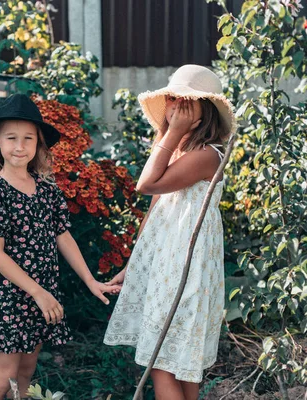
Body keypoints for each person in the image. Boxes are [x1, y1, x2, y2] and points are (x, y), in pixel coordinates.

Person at [0, 94, 117, 400]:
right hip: (11, 296)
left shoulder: (47, 190)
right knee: (3, 377)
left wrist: (90, 281)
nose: (19, 146)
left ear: (38, 144)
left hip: (41, 296)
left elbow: (63, 235)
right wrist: (37, 291)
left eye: (28, 138)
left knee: (25, 372)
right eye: (11, 138)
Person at [103, 64, 235, 400]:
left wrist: (172, 133)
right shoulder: (180, 152)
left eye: (185, 101)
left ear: (203, 111)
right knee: (178, 359)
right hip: (166, 261)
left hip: (185, 263)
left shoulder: (208, 155)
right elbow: (155, 210)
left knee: (163, 360)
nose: (175, 106)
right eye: (173, 98)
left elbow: (146, 185)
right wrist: (133, 266)